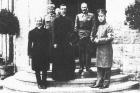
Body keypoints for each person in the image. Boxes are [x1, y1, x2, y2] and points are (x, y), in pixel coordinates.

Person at [90, 9, 114, 89]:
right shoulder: (99, 26)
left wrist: (99, 40)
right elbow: (97, 36)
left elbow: (110, 37)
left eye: (102, 16)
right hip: (99, 50)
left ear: (105, 16)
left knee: (106, 67)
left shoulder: (109, 26)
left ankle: (106, 82)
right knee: (99, 66)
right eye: (99, 16)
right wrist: (94, 38)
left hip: (106, 50)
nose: (100, 18)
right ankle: (99, 82)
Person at [52, 4, 75, 81]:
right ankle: (58, 77)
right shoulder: (56, 20)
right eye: (62, 9)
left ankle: (68, 76)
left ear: (66, 10)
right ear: (60, 10)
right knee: (59, 59)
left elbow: (72, 31)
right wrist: (55, 42)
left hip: (67, 42)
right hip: (59, 43)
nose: (63, 10)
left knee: (67, 59)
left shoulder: (69, 20)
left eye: (64, 9)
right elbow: (54, 32)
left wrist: (71, 40)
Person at [28, 17, 50, 89]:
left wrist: (49, 52)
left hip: (44, 52)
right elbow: (29, 43)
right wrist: (29, 53)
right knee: (37, 69)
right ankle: (39, 83)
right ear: (35, 22)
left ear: (42, 22)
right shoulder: (32, 32)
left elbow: (48, 43)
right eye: (37, 21)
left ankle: (44, 83)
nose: (38, 22)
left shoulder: (46, 31)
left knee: (44, 69)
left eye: (40, 21)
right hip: (36, 52)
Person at [75, 2, 96, 74]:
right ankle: (81, 67)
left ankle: (88, 67)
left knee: (88, 52)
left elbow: (93, 26)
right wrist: (77, 36)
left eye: (85, 7)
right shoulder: (78, 16)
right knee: (81, 52)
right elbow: (76, 27)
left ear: (87, 8)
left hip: (88, 35)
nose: (84, 9)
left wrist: (92, 35)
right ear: (81, 8)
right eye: (82, 7)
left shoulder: (91, 15)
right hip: (80, 36)